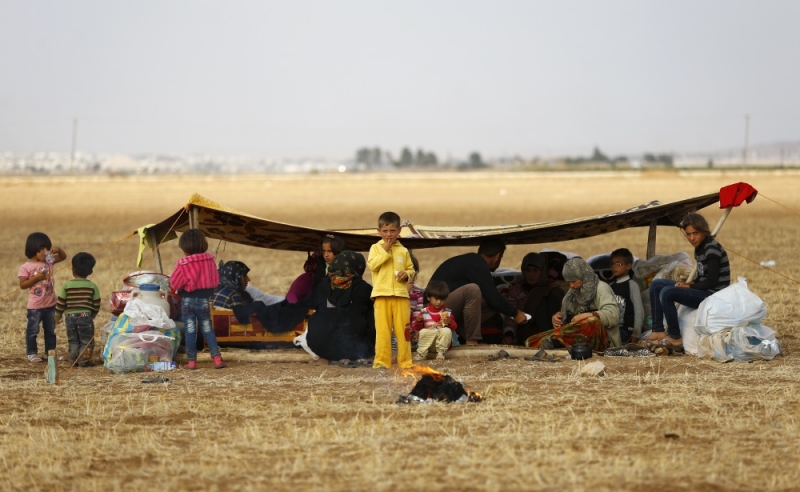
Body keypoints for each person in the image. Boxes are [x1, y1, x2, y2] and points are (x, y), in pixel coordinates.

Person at [644, 213, 730, 354]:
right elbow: (702, 276)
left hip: (712, 295)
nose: (692, 238)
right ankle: (658, 330)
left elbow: (712, 281)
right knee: (657, 285)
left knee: (667, 293)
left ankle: (675, 337)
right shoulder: (700, 248)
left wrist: (690, 286)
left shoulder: (711, 250)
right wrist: (690, 283)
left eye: (695, 233)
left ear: (704, 231)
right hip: (703, 289)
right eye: (688, 234)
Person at [428, 240, 528, 345]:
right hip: (434, 309)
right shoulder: (477, 264)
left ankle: (463, 337)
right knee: (472, 290)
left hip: (446, 309)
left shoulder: (472, 262)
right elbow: (493, 296)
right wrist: (515, 313)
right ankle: (472, 341)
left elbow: (492, 299)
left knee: (488, 304)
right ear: (497, 256)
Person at [526, 257, 621, 351]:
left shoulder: (601, 288)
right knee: (532, 340)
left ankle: (557, 343)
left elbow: (613, 315)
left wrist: (587, 315)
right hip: (579, 336)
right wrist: (558, 317)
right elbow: (570, 317)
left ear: (584, 276)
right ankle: (556, 342)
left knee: (592, 321)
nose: (571, 285)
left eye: (574, 281)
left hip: (605, 341)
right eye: (569, 282)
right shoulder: (574, 291)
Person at [170, 229, 227, 370]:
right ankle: (217, 359)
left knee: (190, 330)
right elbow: (215, 281)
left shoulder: (183, 263)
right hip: (204, 300)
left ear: (185, 247)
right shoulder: (210, 261)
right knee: (207, 329)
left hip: (188, 301)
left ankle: (192, 361)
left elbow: (175, 284)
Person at [305, 250, 376, 364]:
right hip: (357, 350)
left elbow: (316, 306)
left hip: (320, 347)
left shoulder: (323, 284)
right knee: (374, 311)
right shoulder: (364, 288)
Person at [367, 211, 415, 370]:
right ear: (378, 231)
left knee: (403, 331)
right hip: (381, 295)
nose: (389, 234)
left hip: (401, 296)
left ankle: (405, 361)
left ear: (399, 230)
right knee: (383, 331)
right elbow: (373, 266)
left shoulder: (403, 250)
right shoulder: (376, 248)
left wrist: (406, 274)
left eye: (393, 231)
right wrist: (385, 250)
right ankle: (381, 362)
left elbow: (411, 269)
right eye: (385, 231)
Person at [212, 261, 307, 333]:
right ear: (235, 277)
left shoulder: (215, 289)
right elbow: (242, 318)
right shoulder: (233, 295)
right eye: (244, 276)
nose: (248, 279)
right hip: (224, 330)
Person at [18, 232, 67, 363]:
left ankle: (50, 353)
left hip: (51, 304)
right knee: (33, 331)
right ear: (33, 250)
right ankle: (32, 353)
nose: (45, 251)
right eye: (42, 249)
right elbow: (23, 285)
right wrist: (36, 278)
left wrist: (59, 250)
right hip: (35, 307)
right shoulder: (26, 267)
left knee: (50, 331)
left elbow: (63, 257)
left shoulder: (48, 262)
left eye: (47, 248)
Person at [502, 253, 564, 346]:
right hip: (527, 329)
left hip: (552, 327)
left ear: (542, 271)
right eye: (528, 270)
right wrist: (509, 333)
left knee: (552, 293)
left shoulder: (553, 288)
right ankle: (550, 339)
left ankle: (551, 338)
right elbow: (511, 314)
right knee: (537, 292)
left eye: (535, 270)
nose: (531, 274)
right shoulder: (516, 290)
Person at [54, 252, 101, 367]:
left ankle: (73, 360)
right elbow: (96, 304)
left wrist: (57, 316)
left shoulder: (66, 285)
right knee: (86, 341)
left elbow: (61, 302)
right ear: (90, 271)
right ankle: (83, 362)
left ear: (72, 269)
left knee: (73, 340)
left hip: (69, 318)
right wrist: (92, 315)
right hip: (85, 317)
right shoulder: (92, 286)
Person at [285, 234, 347, 304]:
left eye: (329, 251)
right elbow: (291, 296)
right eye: (323, 252)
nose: (326, 255)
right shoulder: (308, 278)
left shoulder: (344, 277)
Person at [412, 280, 457, 361]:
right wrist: (419, 321)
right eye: (436, 299)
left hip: (442, 344)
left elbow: (454, 327)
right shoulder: (424, 312)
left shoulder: (446, 312)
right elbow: (417, 328)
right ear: (428, 298)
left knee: (446, 330)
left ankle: (441, 353)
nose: (439, 302)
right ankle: (422, 353)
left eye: (442, 299)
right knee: (423, 331)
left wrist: (449, 322)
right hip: (429, 344)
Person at [608, 248, 644, 344]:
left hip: (626, 331)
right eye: (612, 264)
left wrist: (636, 333)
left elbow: (639, 310)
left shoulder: (632, 285)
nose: (614, 267)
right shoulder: (611, 286)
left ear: (628, 266)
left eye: (619, 264)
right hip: (613, 328)